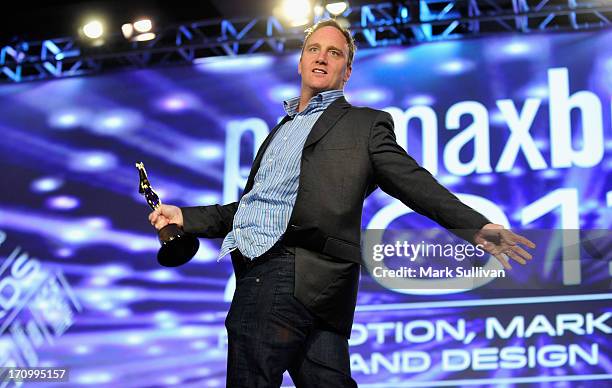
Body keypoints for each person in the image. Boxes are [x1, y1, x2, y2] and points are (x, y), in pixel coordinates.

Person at [148, 19, 535, 388]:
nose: (320, 57)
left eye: (333, 53)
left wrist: (474, 225)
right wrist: (185, 216)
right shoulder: (281, 130)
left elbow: (412, 182)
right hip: (304, 286)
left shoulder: (363, 124)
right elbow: (253, 208)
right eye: (313, 49)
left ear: (347, 71)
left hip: (284, 274)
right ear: (300, 62)